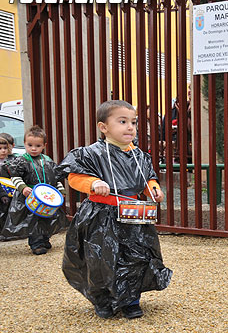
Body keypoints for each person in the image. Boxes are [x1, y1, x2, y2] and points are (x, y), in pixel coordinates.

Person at [57, 100, 172, 319]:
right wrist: (92, 184)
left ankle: (130, 300)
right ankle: (102, 299)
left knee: (137, 256)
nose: (130, 127)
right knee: (99, 258)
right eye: (123, 121)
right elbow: (74, 177)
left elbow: (149, 178)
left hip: (132, 214)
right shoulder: (91, 154)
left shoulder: (139, 156)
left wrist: (154, 190)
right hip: (100, 215)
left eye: (134, 122)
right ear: (104, 127)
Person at [0, 126, 67, 253]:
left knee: (47, 218)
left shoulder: (47, 161)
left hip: (46, 196)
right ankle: (36, 243)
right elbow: (15, 177)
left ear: (44, 145)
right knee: (33, 220)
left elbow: (55, 178)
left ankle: (45, 239)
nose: (33, 148)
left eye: (38, 145)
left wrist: (61, 191)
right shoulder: (21, 161)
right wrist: (23, 188)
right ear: (24, 144)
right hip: (30, 196)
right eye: (30, 145)